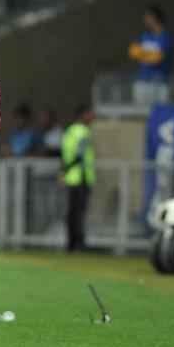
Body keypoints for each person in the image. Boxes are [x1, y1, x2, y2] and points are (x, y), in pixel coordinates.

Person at [60, 105, 96, 252]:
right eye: (90, 114)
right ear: (83, 115)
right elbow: (79, 155)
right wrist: (68, 169)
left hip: (71, 177)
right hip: (80, 177)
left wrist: (64, 171)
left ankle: (71, 243)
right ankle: (79, 243)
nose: (92, 118)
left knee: (72, 212)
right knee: (79, 213)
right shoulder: (83, 132)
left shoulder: (69, 131)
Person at [128, 5, 173, 105]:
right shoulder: (144, 36)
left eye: (148, 17)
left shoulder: (166, 37)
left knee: (161, 112)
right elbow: (132, 52)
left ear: (156, 18)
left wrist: (142, 54)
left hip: (160, 83)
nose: (145, 20)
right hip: (143, 81)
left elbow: (157, 59)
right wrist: (149, 55)